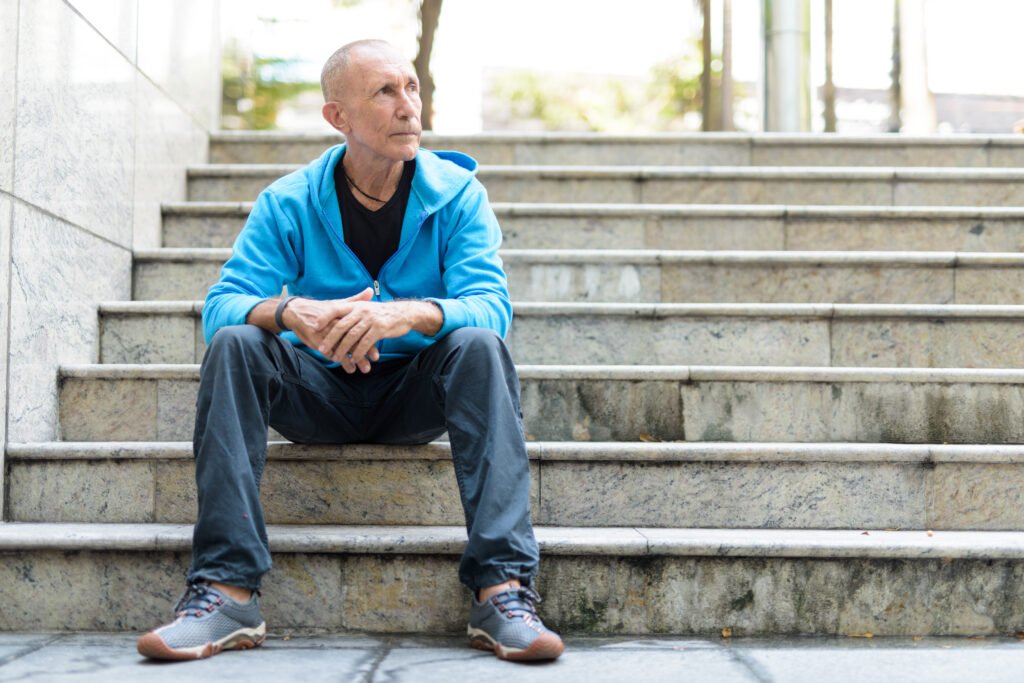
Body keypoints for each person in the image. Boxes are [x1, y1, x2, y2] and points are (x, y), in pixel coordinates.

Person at [136, 39, 564, 664]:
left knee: (477, 343)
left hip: (414, 397)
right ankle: (226, 592)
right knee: (237, 342)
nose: (407, 107)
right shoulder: (288, 201)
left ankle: (502, 590)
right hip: (319, 395)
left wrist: (406, 314)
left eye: (412, 88)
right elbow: (220, 305)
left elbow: (493, 307)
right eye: (385, 93)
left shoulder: (459, 195)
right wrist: (289, 313)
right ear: (338, 117)